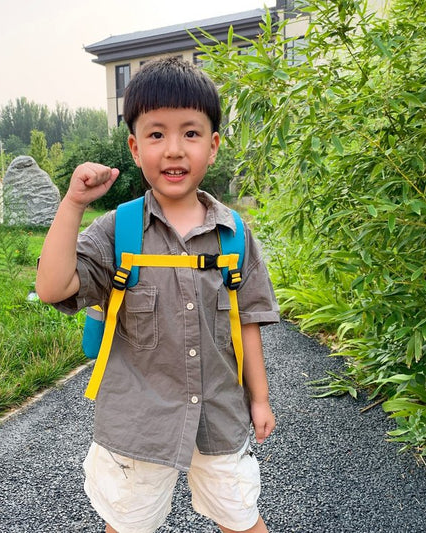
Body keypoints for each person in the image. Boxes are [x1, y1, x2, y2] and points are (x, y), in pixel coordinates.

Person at [36, 57, 280, 533]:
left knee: (241, 516)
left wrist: (261, 398)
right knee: (129, 524)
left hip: (219, 413)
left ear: (213, 146)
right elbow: (52, 288)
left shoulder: (235, 236)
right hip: (137, 422)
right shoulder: (118, 230)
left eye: (190, 133)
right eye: (156, 134)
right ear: (133, 147)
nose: (173, 150)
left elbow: (246, 322)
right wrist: (72, 205)